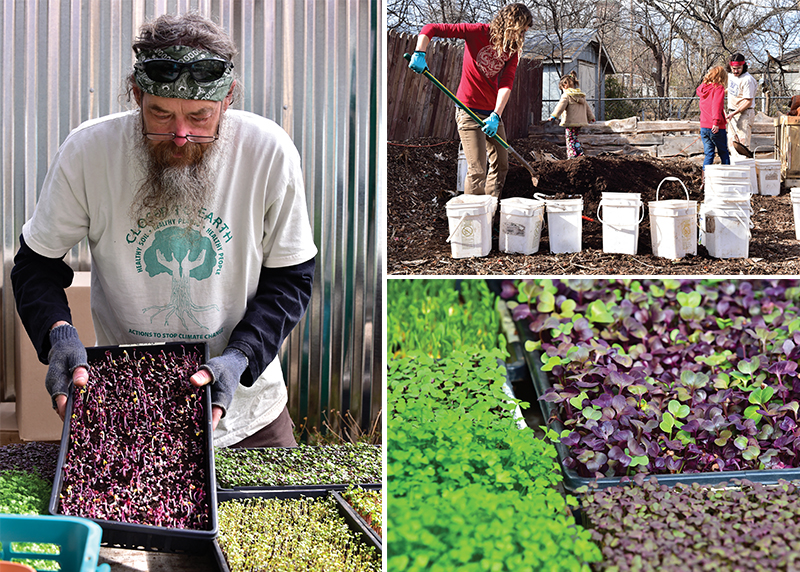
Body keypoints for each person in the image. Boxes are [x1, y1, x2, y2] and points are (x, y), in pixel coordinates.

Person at [10, 12, 317, 449]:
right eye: (160, 113)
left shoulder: (268, 152)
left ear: (227, 98)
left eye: (200, 116)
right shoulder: (88, 153)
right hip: (130, 405)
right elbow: (35, 265)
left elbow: (292, 277)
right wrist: (58, 335)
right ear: (136, 95)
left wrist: (240, 356)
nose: (179, 134)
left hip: (250, 416)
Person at [407, 3, 533, 198]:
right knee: (477, 170)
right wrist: (420, 52)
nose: (521, 37)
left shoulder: (512, 50)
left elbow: (506, 84)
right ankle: (473, 221)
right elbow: (430, 28)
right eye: (521, 31)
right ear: (511, 25)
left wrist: (496, 115)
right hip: (469, 111)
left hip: (491, 113)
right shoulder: (476, 32)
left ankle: (489, 210)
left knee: (501, 164)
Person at [547, 71, 595, 158]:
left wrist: (554, 116)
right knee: (574, 137)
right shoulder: (581, 95)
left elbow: (560, 106)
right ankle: (579, 152)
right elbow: (587, 107)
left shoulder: (566, 95)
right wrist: (591, 117)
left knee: (569, 138)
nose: (563, 91)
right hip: (580, 122)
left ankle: (572, 154)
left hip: (571, 122)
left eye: (562, 88)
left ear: (565, 85)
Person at [697, 65, 730, 167]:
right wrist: (715, 122)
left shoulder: (703, 89)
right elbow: (716, 105)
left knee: (709, 154)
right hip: (716, 127)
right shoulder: (718, 88)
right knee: (723, 152)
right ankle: (727, 178)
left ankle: (705, 181)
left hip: (704, 126)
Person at [725, 53, 758, 154]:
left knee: (742, 145)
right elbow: (731, 90)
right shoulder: (730, 76)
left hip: (744, 114)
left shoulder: (747, 80)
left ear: (743, 66)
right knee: (731, 144)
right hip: (732, 114)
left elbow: (748, 101)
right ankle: (734, 168)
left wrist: (734, 113)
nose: (735, 71)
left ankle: (744, 167)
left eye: (738, 68)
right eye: (733, 68)